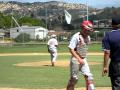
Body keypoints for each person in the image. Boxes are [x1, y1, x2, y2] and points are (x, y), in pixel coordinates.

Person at [66, 20, 95, 90]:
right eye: (87, 30)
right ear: (83, 29)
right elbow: (71, 49)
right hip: (75, 59)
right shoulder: (76, 36)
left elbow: (84, 48)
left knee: (89, 77)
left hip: (83, 59)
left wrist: (82, 59)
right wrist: (79, 59)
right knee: (74, 79)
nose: (88, 32)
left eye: (89, 31)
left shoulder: (88, 37)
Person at [102, 17, 120, 90]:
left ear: (112, 25)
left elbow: (107, 52)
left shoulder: (108, 35)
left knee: (117, 85)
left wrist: (105, 66)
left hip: (116, 65)